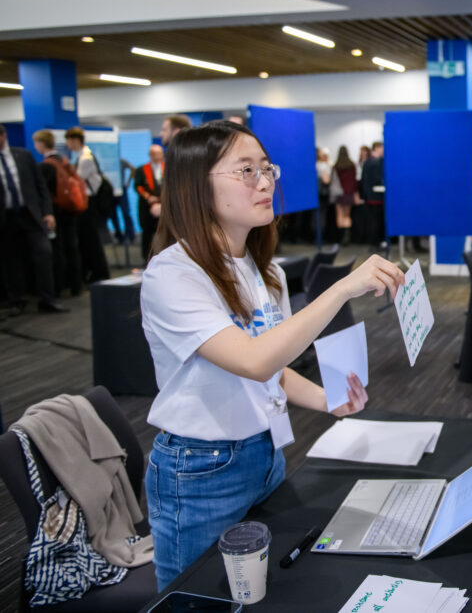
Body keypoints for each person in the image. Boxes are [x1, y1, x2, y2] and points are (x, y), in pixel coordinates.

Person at [140, 120, 405, 590]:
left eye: (267, 169)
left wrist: (329, 402)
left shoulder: (267, 274)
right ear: (195, 185)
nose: (264, 183)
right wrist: (344, 287)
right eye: (245, 171)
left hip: (266, 454)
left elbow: (272, 370)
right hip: (200, 470)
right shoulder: (173, 275)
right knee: (198, 598)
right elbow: (254, 360)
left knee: (267, 591)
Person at [0, 125, 66, 314]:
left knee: (43, 253)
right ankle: (16, 300)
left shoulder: (23, 156)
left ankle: (48, 299)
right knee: (10, 259)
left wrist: (48, 212)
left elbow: (40, 187)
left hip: (30, 214)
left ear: (3, 136)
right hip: (6, 218)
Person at [35, 129, 83, 297]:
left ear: (41, 143)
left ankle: (60, 285)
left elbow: (43, 193)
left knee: (59, 249)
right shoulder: (64, 161)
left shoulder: (46, 165)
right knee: (72, 247)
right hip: (71, 209)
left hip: (56, 213)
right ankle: (76, 284)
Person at [65, 126, 110, 282]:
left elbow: (76, 180)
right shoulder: (79, 156)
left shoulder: (86, 158)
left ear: (75, 140)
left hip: (88, 203)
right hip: (84, 202)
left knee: (92, 239)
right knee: (86, 239)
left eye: (69, 141)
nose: (67, 144)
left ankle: (100, 272)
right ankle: (91, 271)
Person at [135, 144, 164, 262]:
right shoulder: (141, 169)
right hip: (146, 206)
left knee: (164, 232)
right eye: (155, 154)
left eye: (159, 154)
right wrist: (148, 197)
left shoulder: (168, 168)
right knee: (147, 233)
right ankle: (146, 258)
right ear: (150, 155)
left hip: (163, 206)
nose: (157, 157)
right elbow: (137, 186)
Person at [360, 141, 386, 248]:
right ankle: (376, 243)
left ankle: (374, 242)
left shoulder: (368, 161)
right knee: (376, 222)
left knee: (373, 221)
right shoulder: (377, 162)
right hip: (376, 197)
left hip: (370, 197)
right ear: (377, 148)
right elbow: (377, 179)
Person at [332, 145, 358, 245]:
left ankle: (341, 236)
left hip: (339, 193)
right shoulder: (351, 165)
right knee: (347, 215)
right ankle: (347, 235)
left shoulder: (336, 166)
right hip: (349, 193)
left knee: (340, 215)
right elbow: (354, 181)